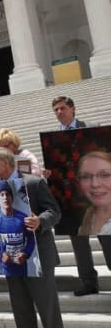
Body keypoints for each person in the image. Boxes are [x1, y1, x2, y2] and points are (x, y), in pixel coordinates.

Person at [0, 147, 65, 328]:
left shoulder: (34, 182)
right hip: (12, 260)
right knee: (21, 312)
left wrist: (40, 221)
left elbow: (54, 211)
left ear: (5, 163)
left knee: (48, 310)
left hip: (38, 257)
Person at [50, 95, 100, 297]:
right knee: (79, 241)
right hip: (71, 196)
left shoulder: (91, 129)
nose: (59, 112)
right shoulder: (53, 140)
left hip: (97, 192)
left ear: (73, 109)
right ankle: (88, 282)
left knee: (107, 237)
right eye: (56, 110)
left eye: (62, 108)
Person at [0, 181, 36, 277]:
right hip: (6, 268)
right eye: (2, 195)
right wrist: (0, 254)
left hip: (22, 267)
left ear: (12, 198)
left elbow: (32, 239)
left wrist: (25, 253)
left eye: (7, 194)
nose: (5, 198)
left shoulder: (23, 218)